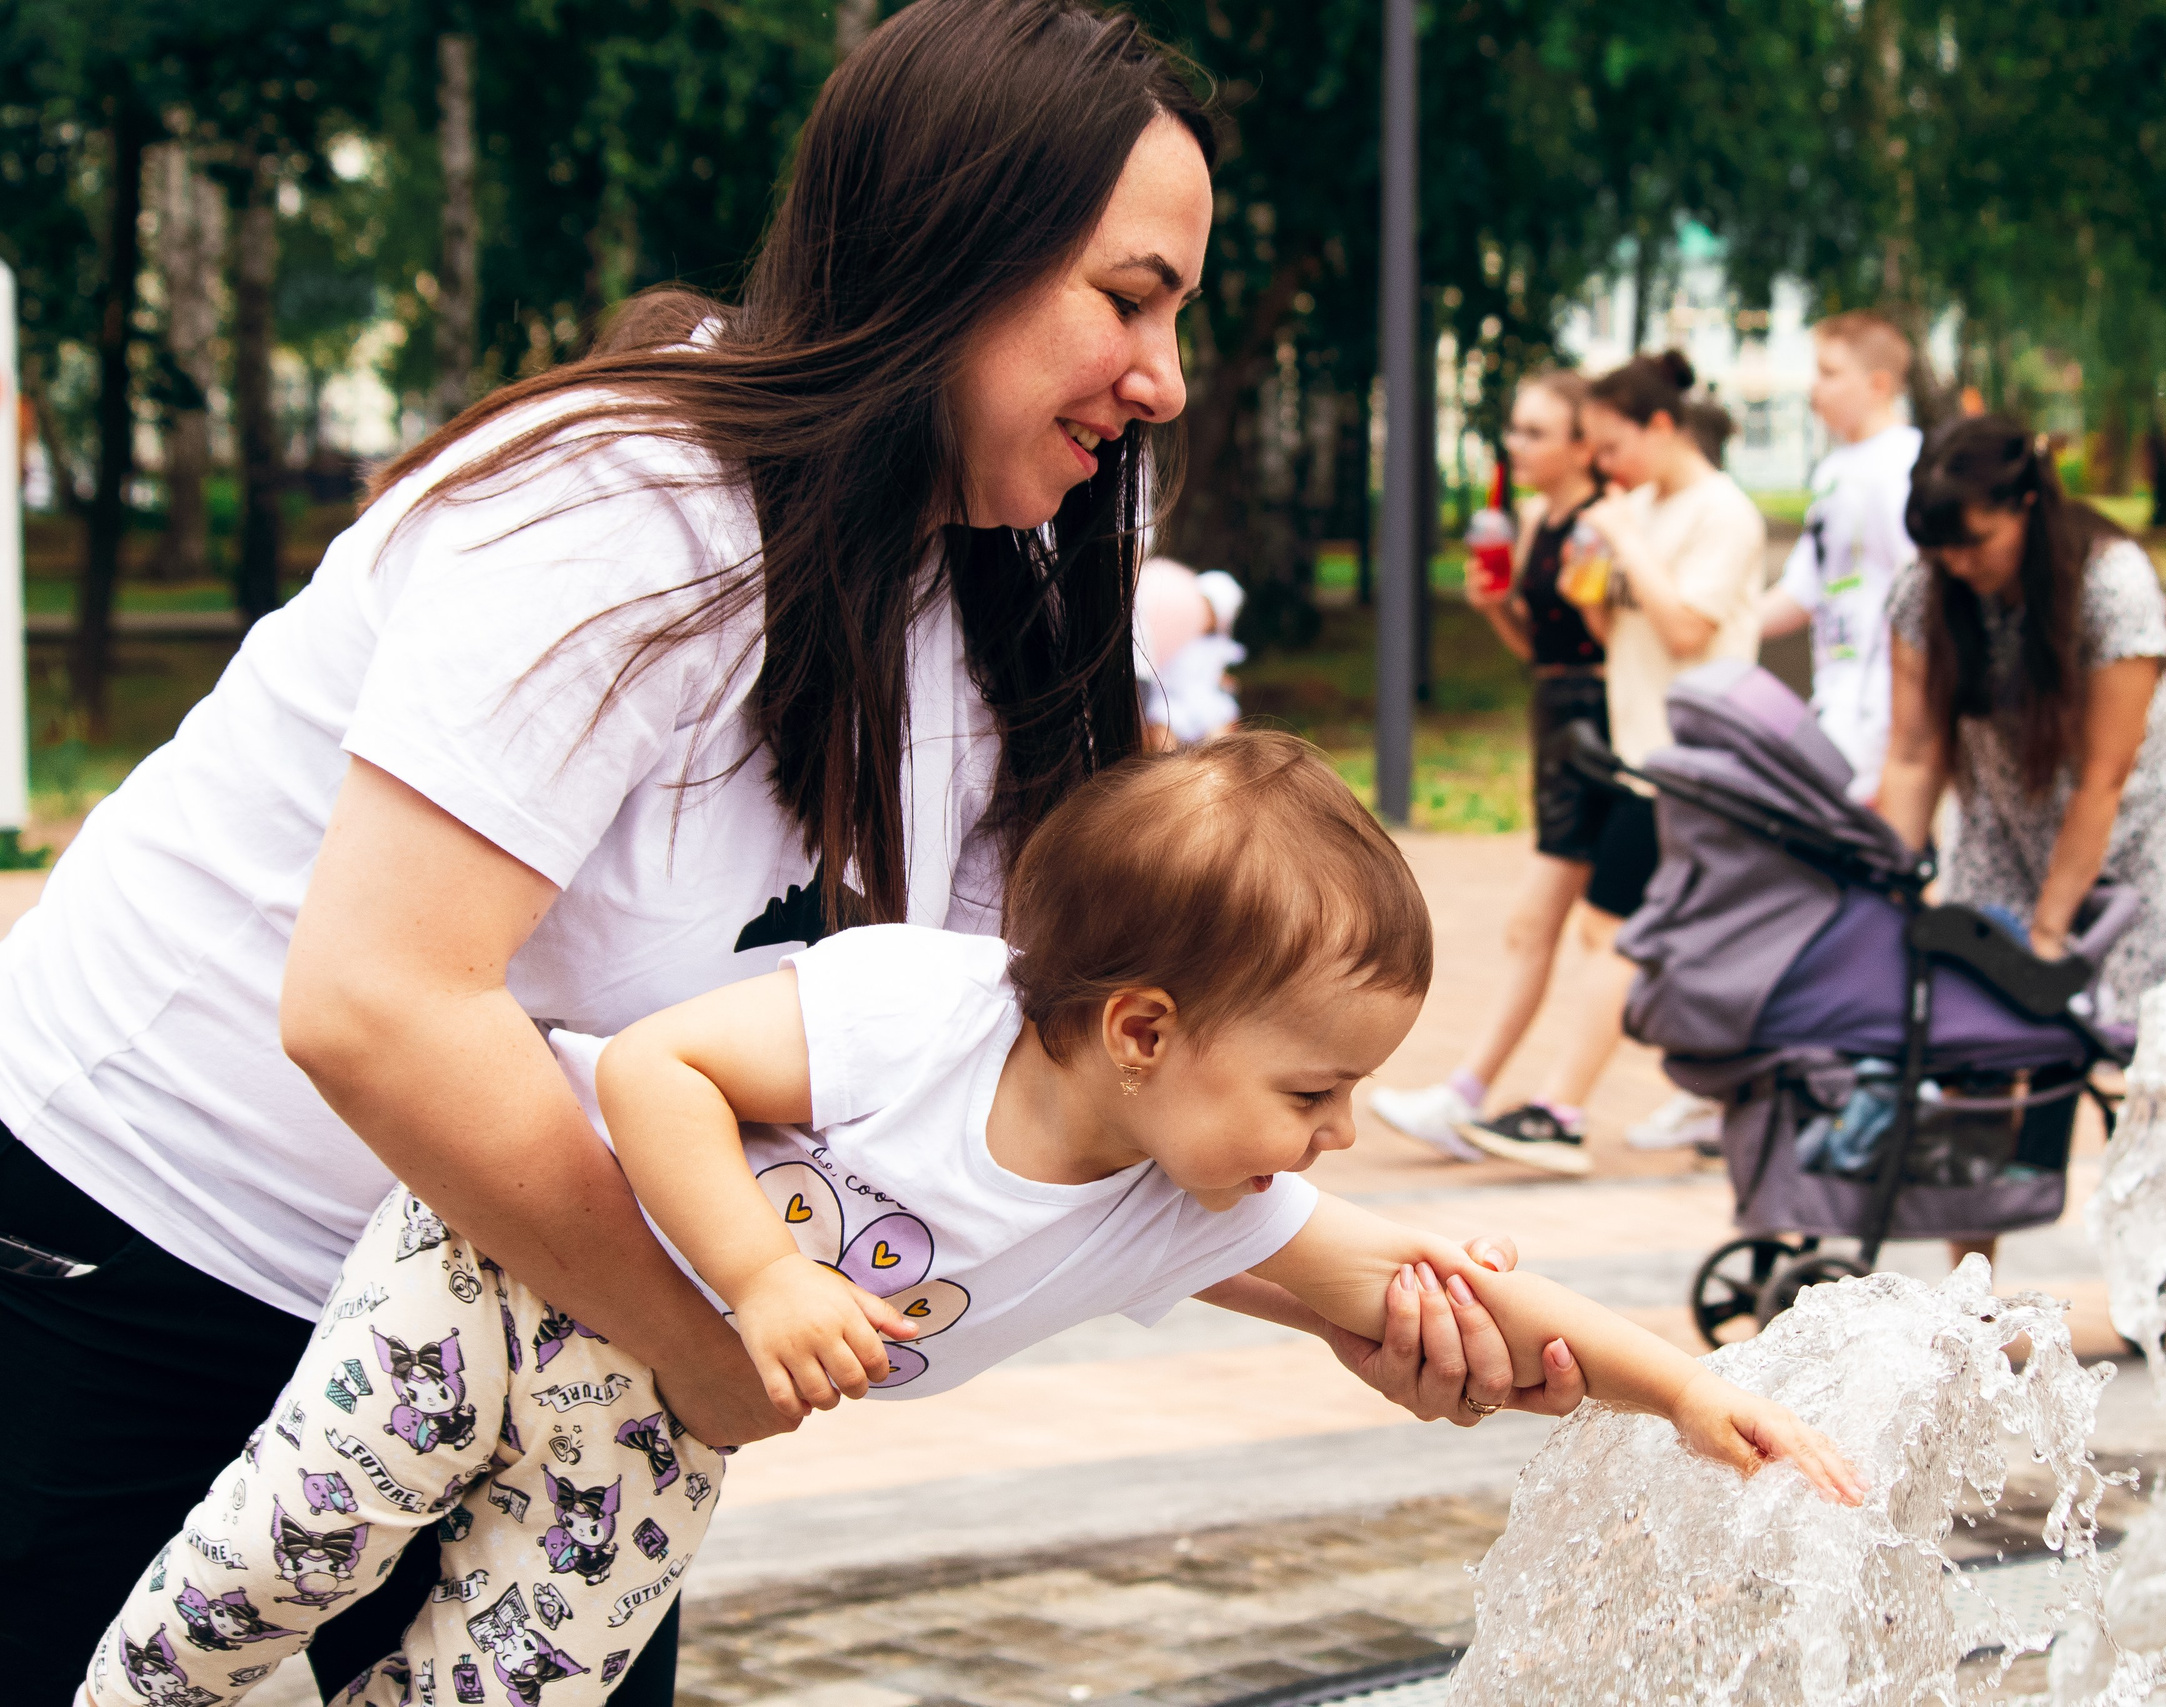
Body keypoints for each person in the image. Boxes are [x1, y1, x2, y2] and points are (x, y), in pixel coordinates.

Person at [0, 8, 1558, 1703]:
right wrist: (705, 1330)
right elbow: (378, 1005)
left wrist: (1382, 1298)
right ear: (947, 251)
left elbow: (1048, 1093)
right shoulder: (622, 512)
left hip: (549, 1307)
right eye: (1128, 297)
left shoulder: (1002, 595)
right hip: (140, 1241)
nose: (1166, 378)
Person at [80, 734, 1866, 1707]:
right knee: (290, 1548)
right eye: (1314, 1089)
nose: (1339, 1134)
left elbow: (1409, 1271)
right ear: (1145, 1028)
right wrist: (762, 1274)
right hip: (494, 1272)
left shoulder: (1178, 1201)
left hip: (662, 1423)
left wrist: (1684, 1385)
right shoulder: (916, 1011)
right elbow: (654, 1072)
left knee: (513, 1684)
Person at [1872, 418, 2166, 1265]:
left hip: (2145, 826)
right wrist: (1886, 883)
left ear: (2028, 505)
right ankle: (1973, 1286)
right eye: (1938, 548)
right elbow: (1914, 753)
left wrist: (2047, 936)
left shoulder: (2111, 584)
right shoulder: (1926, 591)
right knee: (1977, 1039)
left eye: (1974, 541)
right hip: (2005, 821)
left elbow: (2104, 778)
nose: (1956, 563)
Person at [1460, 353, 1766, 1176]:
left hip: (1692, 757)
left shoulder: (1721, 514)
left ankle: (1562, 1109)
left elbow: (1687, 630)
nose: (1603, 465)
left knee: (1615, 932)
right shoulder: (1648, 506)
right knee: (1656, 935)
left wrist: (1625, 541)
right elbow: (1614, 634)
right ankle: (1729, 1089)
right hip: (1643, 755)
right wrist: (1588, 587)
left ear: (1660, 426)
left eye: (1611, 446)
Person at [1366, 371, 1613, 1161]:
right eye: (1516, 429)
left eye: (1537, 432)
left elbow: (1616, 644)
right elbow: (1539, 649)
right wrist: (1495, 608)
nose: (1517, 445)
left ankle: (1476, 1093)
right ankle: (1472, 1095)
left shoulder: (1607, 521)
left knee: (1568, 925)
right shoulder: (1535, 519)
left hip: (1603, 725)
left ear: (1584, 444)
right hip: (1555, 712)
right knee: (1568, 926)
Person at [1759, 311, 1924, 801]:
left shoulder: (1904, 466)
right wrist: (1719, 624)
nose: (1816, 388)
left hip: (1884, 705)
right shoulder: (1834, 470)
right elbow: (1804, 589)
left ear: (1878, 384)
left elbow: (1920, 592)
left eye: (1830, 373)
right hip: (1837, 698)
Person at [1134, 556, 1246, 749]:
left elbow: (1214, 672)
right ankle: (1165, 761)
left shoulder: (1215, 644)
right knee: (1163, 725)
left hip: (1204, 700)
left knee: (1219, 725)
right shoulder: (1175, 633)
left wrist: (1222, 680)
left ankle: (1211, 759)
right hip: (1171, 698)